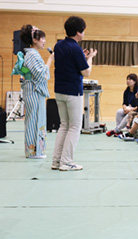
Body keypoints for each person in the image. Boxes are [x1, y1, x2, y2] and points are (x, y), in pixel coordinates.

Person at [52, 16, 97, 171]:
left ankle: (57, 161)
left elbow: (69, 63)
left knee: (64, 125)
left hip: (59, 91)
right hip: (72, 92)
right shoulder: (76, 48)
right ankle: (66, 162)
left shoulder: (58, 45)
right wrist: (90, 58)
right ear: (79, 32)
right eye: (83, 31)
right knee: (75, 126)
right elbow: (87, 72)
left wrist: (82, 57)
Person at [17, 24, 54, 159]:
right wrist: (50, 60)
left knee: (33, 119)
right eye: (42, 38)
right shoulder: (32, 54)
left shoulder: (31, 54)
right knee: (34, 119)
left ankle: (34, 150)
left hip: (33, 90)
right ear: (34, 40)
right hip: (34, 90)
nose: (44, 41)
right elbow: (41, 75)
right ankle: (34, 151)